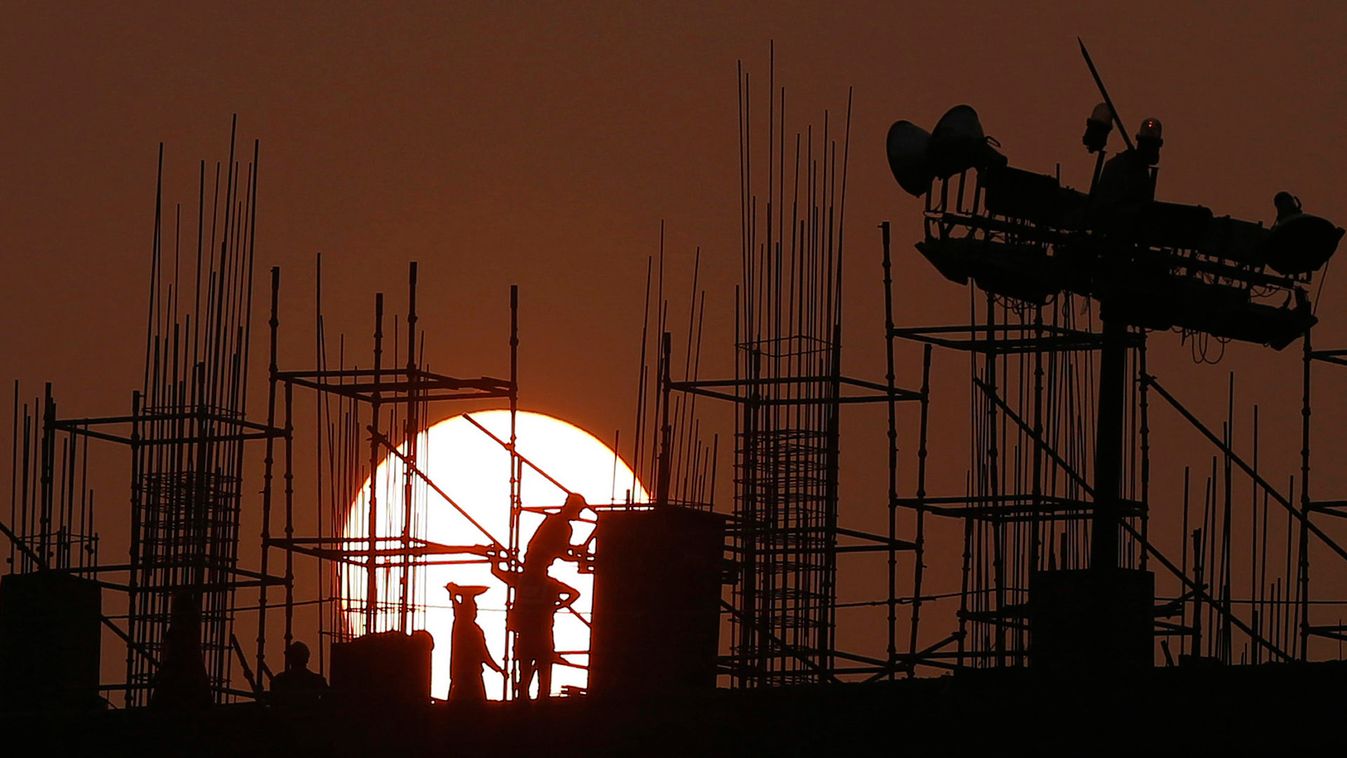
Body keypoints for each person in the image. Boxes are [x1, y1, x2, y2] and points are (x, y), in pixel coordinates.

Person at [490, 561, 578, 699]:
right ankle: (539, 702)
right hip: (542, 635)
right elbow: (574, 594)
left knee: (526, 673)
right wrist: (557, 606)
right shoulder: (549, 583)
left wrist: (495, 561)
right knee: (542, 672)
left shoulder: (521, 580)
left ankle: (524, 700)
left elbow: (497, 572)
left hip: (526, 635)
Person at [150, 590, 212, 710]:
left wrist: (162, 673)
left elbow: (173, 659)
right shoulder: (190, 635)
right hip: (193, 688)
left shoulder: (176, 636)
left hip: (178, 689)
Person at [444, 582, 503, 703]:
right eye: (474, 609)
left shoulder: (458, 626)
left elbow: (456, 608)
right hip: (471, 675)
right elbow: (483, 654)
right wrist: (498, 669)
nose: (475, 612)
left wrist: (454, 596)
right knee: (476, 705)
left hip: (458, 674)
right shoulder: (472, 629)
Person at [522, 492, 590, 578]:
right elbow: (562, 553)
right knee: (573, 592)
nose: (579, 514)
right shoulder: (563, 526)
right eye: (579, 511)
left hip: (535, 569)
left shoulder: (553, 520)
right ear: (573, 509)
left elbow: (557, 547)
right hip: (536, 572)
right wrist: (580, 557)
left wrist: (576, 550)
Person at [270, 640, 327, 706]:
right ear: (307, 659)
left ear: (289, 658)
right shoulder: (317, 680)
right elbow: (328, 700)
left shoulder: (278, 680)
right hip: (310, 715)